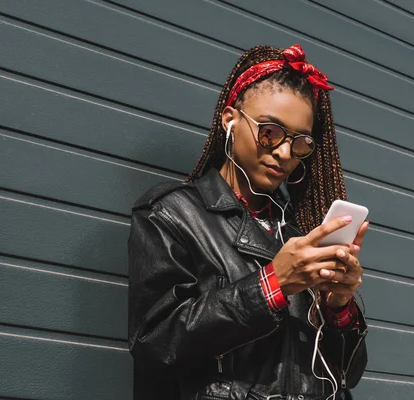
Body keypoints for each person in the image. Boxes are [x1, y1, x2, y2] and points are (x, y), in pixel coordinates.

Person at [128, 44, 369, 400]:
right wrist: (272, 285)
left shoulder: (301, 237)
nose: (285, 153)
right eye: (270, 132)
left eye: (300, 142)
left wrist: (339, 308)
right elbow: (155, 344)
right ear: (230, 120)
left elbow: (347, 375)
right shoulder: (172, 213)